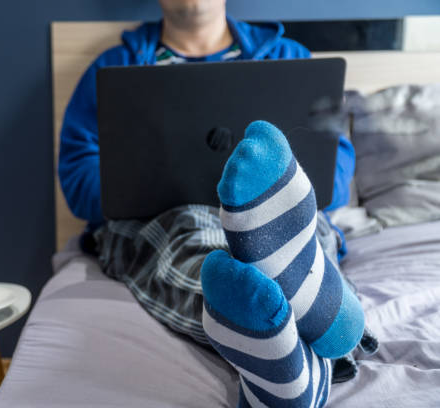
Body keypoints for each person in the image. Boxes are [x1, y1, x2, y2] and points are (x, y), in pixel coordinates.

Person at [58, 1, 377, 406]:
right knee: (192, 243)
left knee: (299, 224)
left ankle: (285, 364)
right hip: (169, 216)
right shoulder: (117, 68)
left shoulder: (289, 59)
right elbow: (77, 177)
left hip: (277, 213)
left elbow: (335, 165)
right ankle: (309, 332)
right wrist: (153, 180)